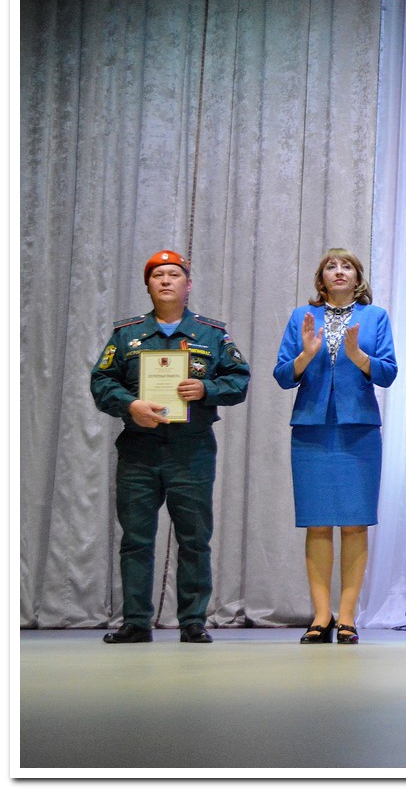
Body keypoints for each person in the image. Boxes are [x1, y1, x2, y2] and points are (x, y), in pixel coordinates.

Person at [90, 250, 251, 643]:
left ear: (188, 285)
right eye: (157, 275)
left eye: (174, 275)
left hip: (191, 450)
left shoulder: (211, 335)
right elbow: (102, 381)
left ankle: (193, 620)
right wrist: (130, 404)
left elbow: (239, 380)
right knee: (136, 539)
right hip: (139, 450)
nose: (165, 280)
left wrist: (206, 388)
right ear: (148, 285)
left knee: (194, 538)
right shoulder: (126, 335)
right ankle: (135, 622)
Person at [273, 248, 398, 645]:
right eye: (331, 266)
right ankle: (320, 615)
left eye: (347, 267)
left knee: (355, 522)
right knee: (317, 522)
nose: (339, 271)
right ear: (321, 278)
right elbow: (282, 375)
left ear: (358, 278)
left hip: (359, 429)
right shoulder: (301, 316)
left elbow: (388, 373)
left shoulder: (375, 317)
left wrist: (359, 356)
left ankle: (347, 617)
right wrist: (306, 355)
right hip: (311, 429)